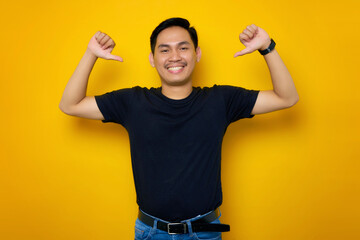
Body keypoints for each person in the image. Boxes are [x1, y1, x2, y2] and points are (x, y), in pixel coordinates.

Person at [59, 17, 298, 240]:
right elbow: (70, 104)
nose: (175, 56)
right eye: (164, 49)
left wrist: (267, 46)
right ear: (152, 59)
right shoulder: (132, 102)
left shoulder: (221, 100)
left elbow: (286, 98)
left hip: (205, 231)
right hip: (151, 232)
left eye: (183, 48)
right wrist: (91, 54)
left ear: (197, 54)